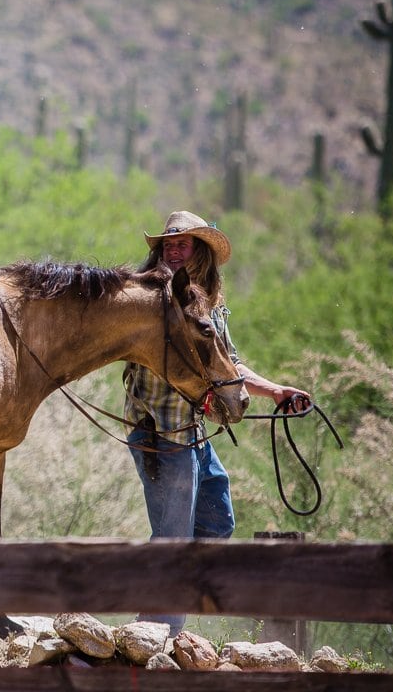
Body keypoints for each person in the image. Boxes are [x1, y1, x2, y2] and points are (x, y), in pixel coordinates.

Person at [122, 210, 311, 634]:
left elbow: (230, 367)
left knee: (217, 522)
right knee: (172, 538)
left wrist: (277, 391)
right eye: (167, 244)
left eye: (182, 244)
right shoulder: (147, 302)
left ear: (200, 253)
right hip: (160, 431)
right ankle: (161, 633)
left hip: (193, 434)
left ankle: (153, 618)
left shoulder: (209, 307)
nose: (172, 250)